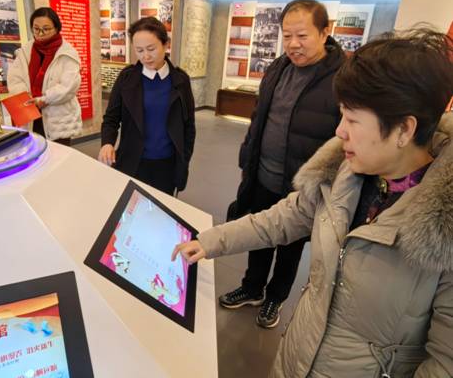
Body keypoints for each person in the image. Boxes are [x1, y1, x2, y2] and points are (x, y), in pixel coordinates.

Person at [174, 28, 453, 378]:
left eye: (353, 120)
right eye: (341, 115)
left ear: (403, 130)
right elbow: (281, 218)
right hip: (296, 358)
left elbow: (445, 362)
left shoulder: (444, 233)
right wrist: (210, 240)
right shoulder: (344, 175)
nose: (339, 131)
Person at [220, 0, 345, 329]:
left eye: (302, 36)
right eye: (286, 35)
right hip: (264, 174)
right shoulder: (278, 68)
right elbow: (259, 118)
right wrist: (247, 158)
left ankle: (275, 297)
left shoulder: (342, 79)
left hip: (303, 186)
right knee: (259, 233)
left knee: (290, 245)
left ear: (325, 32)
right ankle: (252, 287)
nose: (293, 44)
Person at [99, 17, 196, 195]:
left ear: (166, 45)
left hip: (167, 164)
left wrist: (184, 159)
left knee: (161, 206)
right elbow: (111, 118)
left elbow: (189, 126)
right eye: (139, 50)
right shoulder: (127, 78)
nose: (145, 56)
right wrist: (107, 143)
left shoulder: (180, 80)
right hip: (132, 161)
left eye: (151, 49)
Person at [7, 7, 82, 145]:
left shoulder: (67, 53)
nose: (40, 33)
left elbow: (68, 87)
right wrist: (26, 97)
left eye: (46, 29)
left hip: (57, 118)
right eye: (36, 29)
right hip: (30, 114)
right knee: (33, 152)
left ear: (56, 28)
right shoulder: (25, 51)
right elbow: (14, 78)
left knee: (58, 154)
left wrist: (45, 99)